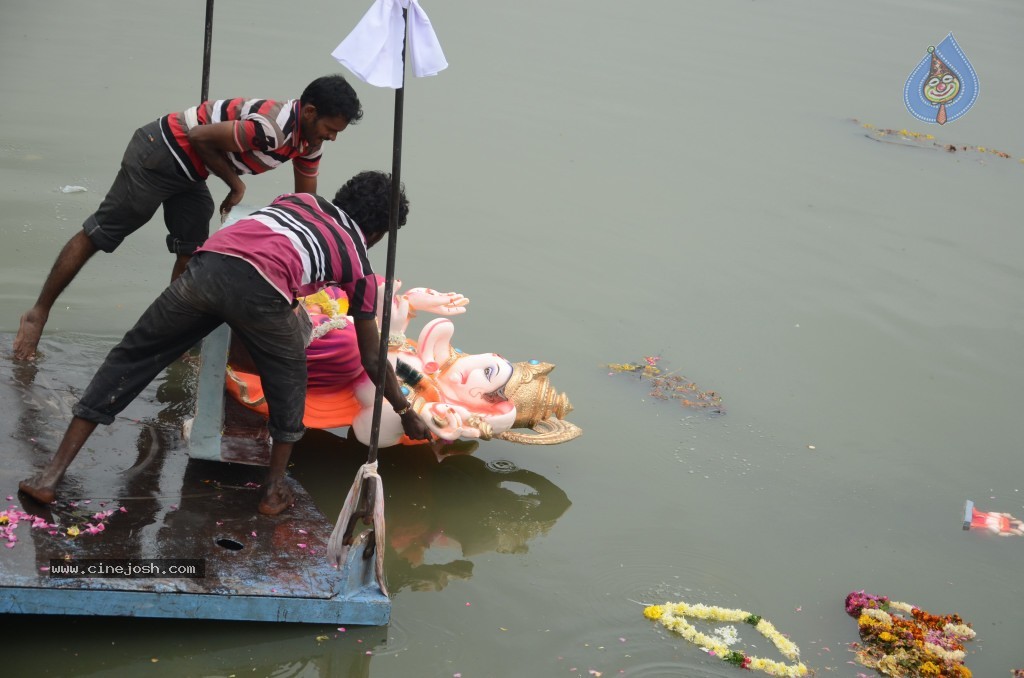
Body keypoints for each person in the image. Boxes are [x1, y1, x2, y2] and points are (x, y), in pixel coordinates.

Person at [19, 171, 431, 516]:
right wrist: (405, 410)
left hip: (207, 267)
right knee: (291, 384)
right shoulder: (359, 261)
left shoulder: (298, 200)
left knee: (131, 358)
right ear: (378, 232)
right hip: (261, 293)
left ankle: (50, 476)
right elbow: (373, 358)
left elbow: (269, 246)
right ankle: (271, 493)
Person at [13, 74, 363, 361]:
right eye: (330, 129)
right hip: (162, 151)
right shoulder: (272, 129)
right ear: (310, 112)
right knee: (103, 233)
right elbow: (198, 136)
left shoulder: (308, 143)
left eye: (337, 133)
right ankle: (38, 312)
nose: (331, 137)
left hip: (192, 172)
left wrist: (320, 252)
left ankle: (166, 335)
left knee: (194, 249)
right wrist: (236, 185)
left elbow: (306, 201)